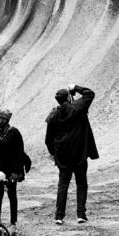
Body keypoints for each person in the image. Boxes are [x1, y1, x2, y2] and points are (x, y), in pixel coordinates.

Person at [45, 84, 99, 224]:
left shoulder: (54, 114)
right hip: (79, 154)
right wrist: (75, 87)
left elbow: (48, 139)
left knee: (63, 184)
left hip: (63, 156)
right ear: (69, 97)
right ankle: (80, 214)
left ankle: (59, 216)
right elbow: (89, 94)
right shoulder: (78, 107)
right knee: (81, 183)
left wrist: (54, 154)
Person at [0, 107, 25, 232]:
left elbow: (20, 154)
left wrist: (16, 172)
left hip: (10, 170)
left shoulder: (14, 132)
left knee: (11, 195)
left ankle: (13, 222)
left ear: (5, 120)